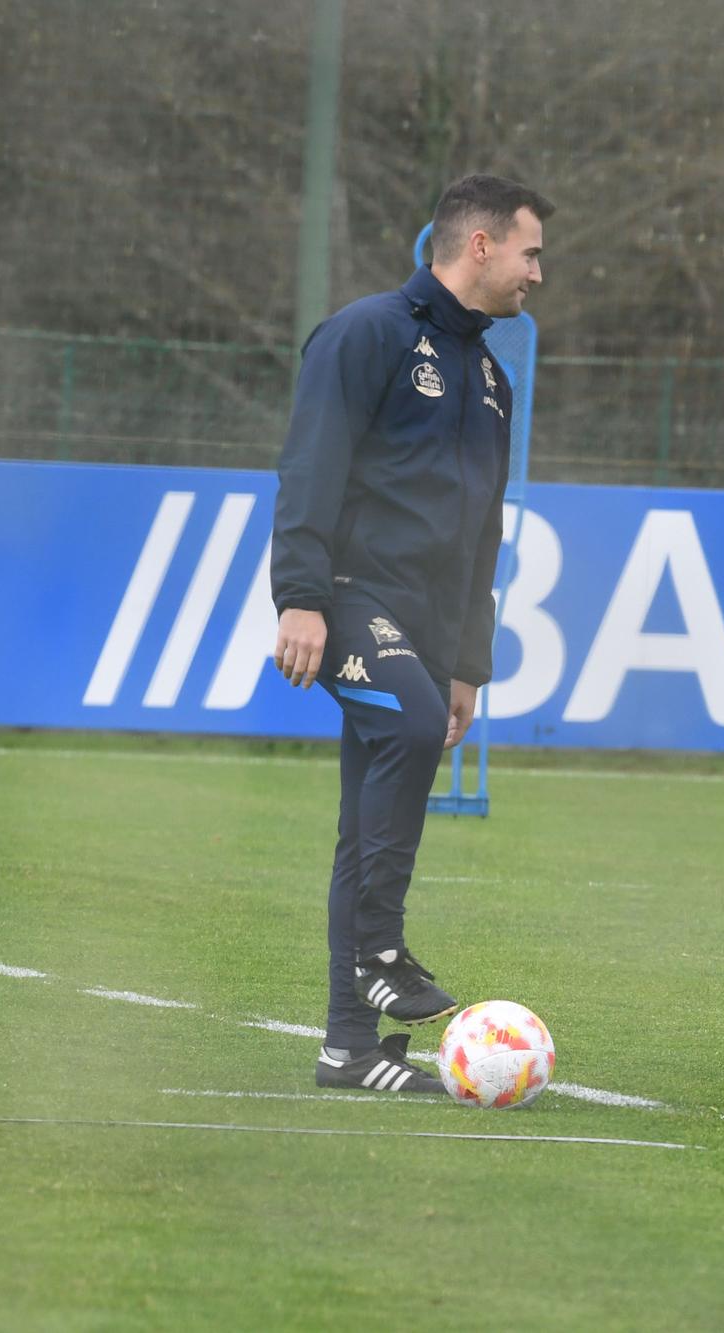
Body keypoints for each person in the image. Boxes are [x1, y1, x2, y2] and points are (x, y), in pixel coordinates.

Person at [271, 173, 552, 1095]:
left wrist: (469, 661)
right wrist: (301, 597)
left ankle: (349, 1048)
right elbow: (311, 466)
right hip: (349, 596)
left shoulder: (490, 375)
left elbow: (485, 533)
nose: (537, 274)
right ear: (479, 246)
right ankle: (380, 950)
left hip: (430, 626)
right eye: (530, 252)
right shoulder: (366, 333)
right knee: (409, 725)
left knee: (366, 821)